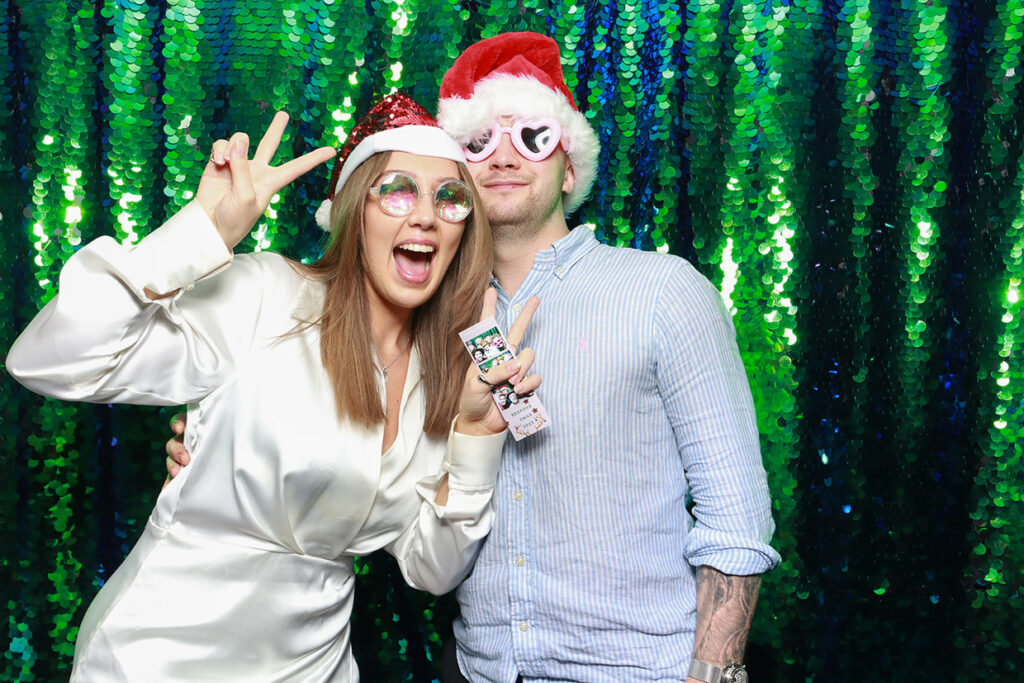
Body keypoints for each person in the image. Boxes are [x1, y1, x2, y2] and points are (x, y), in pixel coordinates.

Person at [169, 33, 781, 683]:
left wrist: (713, 673)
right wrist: (214, 440)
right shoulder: (422, 319)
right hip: (481, 668)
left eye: (534, 136)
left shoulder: (662, 292)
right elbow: (378, 490)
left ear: (570, 166)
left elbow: (735, 518)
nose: (505, 156)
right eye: (478, 142)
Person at [6, 93, 542, 681]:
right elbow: (46, 359)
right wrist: (201, 234)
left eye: (450, 199)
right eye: (397, 190)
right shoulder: (267, 296)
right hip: (159, 658)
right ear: (354, 212)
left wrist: (473, 435)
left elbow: (432, 569)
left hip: (315, 667)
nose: (425, 216)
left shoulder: (444, 373)